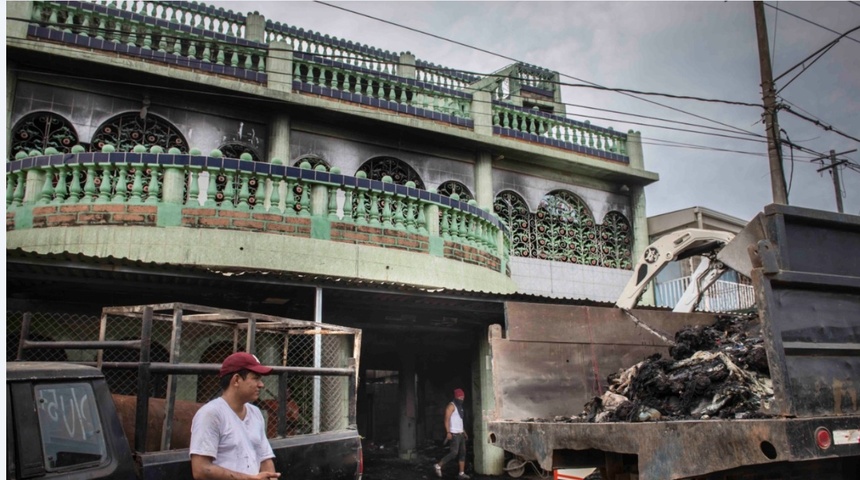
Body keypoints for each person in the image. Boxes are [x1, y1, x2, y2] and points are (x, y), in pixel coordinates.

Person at [190, 352, 282, 480]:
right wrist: (250, 479)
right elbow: (201, 470)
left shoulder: (255, 413)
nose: (261, 384)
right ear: (236, 380)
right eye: (255, 378)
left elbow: (265, 458)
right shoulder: (211, 414)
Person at [434, 388, 469, 479]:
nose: (462, 399)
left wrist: (464, 432)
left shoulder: (460, 407)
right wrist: (448, 432)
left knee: (462, 453)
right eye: (460, 397)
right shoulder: (451, 406)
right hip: (454, 434)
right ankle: (438, 465)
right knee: (454, 453)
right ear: (456, 397)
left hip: (460, 433)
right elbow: (446, 420)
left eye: (463, 397)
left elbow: (459, 421)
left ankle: (461, 473)